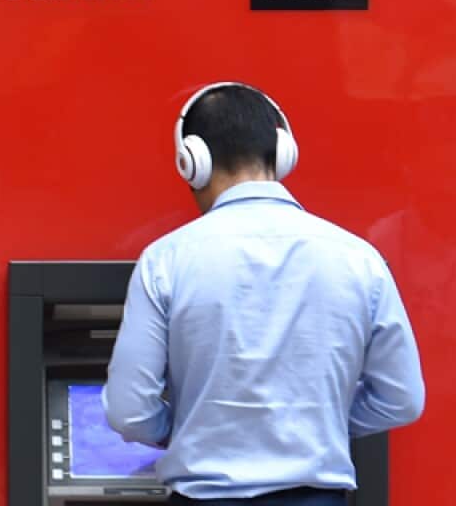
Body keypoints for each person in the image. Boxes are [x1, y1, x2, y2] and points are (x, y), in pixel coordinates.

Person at [101, 81, 425, 505]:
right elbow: (402, 399)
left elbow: (130, 412)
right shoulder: (358, 258)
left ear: (191, 162)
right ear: (282, 153)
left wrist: (186, 426)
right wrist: (316, 422)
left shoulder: (165, 260)